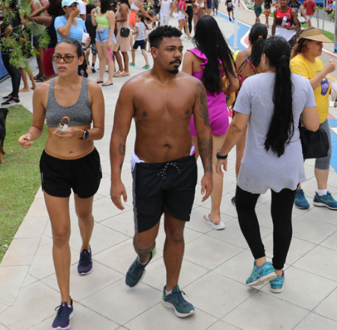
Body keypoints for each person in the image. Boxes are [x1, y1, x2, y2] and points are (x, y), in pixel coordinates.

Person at [109, 26, 213, 319]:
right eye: (170, 49)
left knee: (176, 232)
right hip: (147, 171)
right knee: (145, 239)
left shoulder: (193, 86)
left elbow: (203, 131)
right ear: (153, 51)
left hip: (183, 168)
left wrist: (208, 172)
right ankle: (143, 257)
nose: (177, 54)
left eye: (179, 49)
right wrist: (116, 179)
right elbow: (118, 136)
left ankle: (171, 289)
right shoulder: (134, 87)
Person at [216, 36, 319, 293]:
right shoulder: (303, 84)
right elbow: (314, 125)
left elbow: (238, 126)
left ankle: (261, 262)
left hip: (256, 163)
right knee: (282, 216)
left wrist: (222, 153)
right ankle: (279, 273)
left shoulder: (251, 85)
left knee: (244, 205)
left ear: (264, 59)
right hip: (289, 163)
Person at [17, 38, 105, 330]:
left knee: (84, 216)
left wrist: (81, 133)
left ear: (81, 59)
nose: (62, 62)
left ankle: (85, 247)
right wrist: (29, 136)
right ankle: (66, 301)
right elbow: (37, 125)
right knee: (60, 232)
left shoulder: (91, 90)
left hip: (85, 163)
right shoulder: (43, 90)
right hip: (53, 165)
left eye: (68, 57)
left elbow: (99, 131)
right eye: (57, 58)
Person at [182, 16, 239, 229]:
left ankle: (182, 207)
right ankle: (215, 215)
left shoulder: (190, 56)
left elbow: (183, 87)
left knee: (189, 161)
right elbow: (234, 84)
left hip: (197, 114)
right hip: (219, 113)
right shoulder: (224, 55)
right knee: (216, 165)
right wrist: (222, 93)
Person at [289, 28, 337, 210]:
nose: (322, 46)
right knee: (299, 156)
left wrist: (334, 87)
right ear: (306, 44)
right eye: (318, 43)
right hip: (302, 119)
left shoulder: (318, 62)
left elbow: (323, 83)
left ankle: (321, 194)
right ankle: (295, 189)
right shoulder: (297, 63)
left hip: (321, 118)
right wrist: (326, 70)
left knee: (325, 153)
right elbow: (305, 86)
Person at [232, 24, 268, 180]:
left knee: (241, 152)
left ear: (249, 38)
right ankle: (255, 185)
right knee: (259, 150)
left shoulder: (239, 55)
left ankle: (241, 189)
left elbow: (233, 83)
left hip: (240, 109)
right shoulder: (266, 59)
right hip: (260, 110)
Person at [0, 0, 24, 106]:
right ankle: (14, 92)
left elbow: (9, 30)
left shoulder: (10, 16)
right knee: (12, 71)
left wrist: (4, 36)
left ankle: (15, 96)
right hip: (12, 44)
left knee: (14, 71)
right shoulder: (13, 14)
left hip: (10, 46)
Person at [90, 0, 116, 86]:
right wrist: (93, 14)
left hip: (107, 35)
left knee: (108, 57)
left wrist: (109, 40)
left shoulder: (110, 13)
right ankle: (100, 77)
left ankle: (110, 79)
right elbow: (94, 23)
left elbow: (112, 27)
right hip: (98, 35)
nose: (97, 3)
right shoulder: (98, 11)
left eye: (98, 1)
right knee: (101, 58)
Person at [114, 0, 132, 77]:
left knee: (116, 50)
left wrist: (114, 20)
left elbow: (124, 18)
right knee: (123, 51)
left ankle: (122, 70)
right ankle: (125, 70)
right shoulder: (122, 5)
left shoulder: (123, 6)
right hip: (122, 30)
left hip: (123, 31)